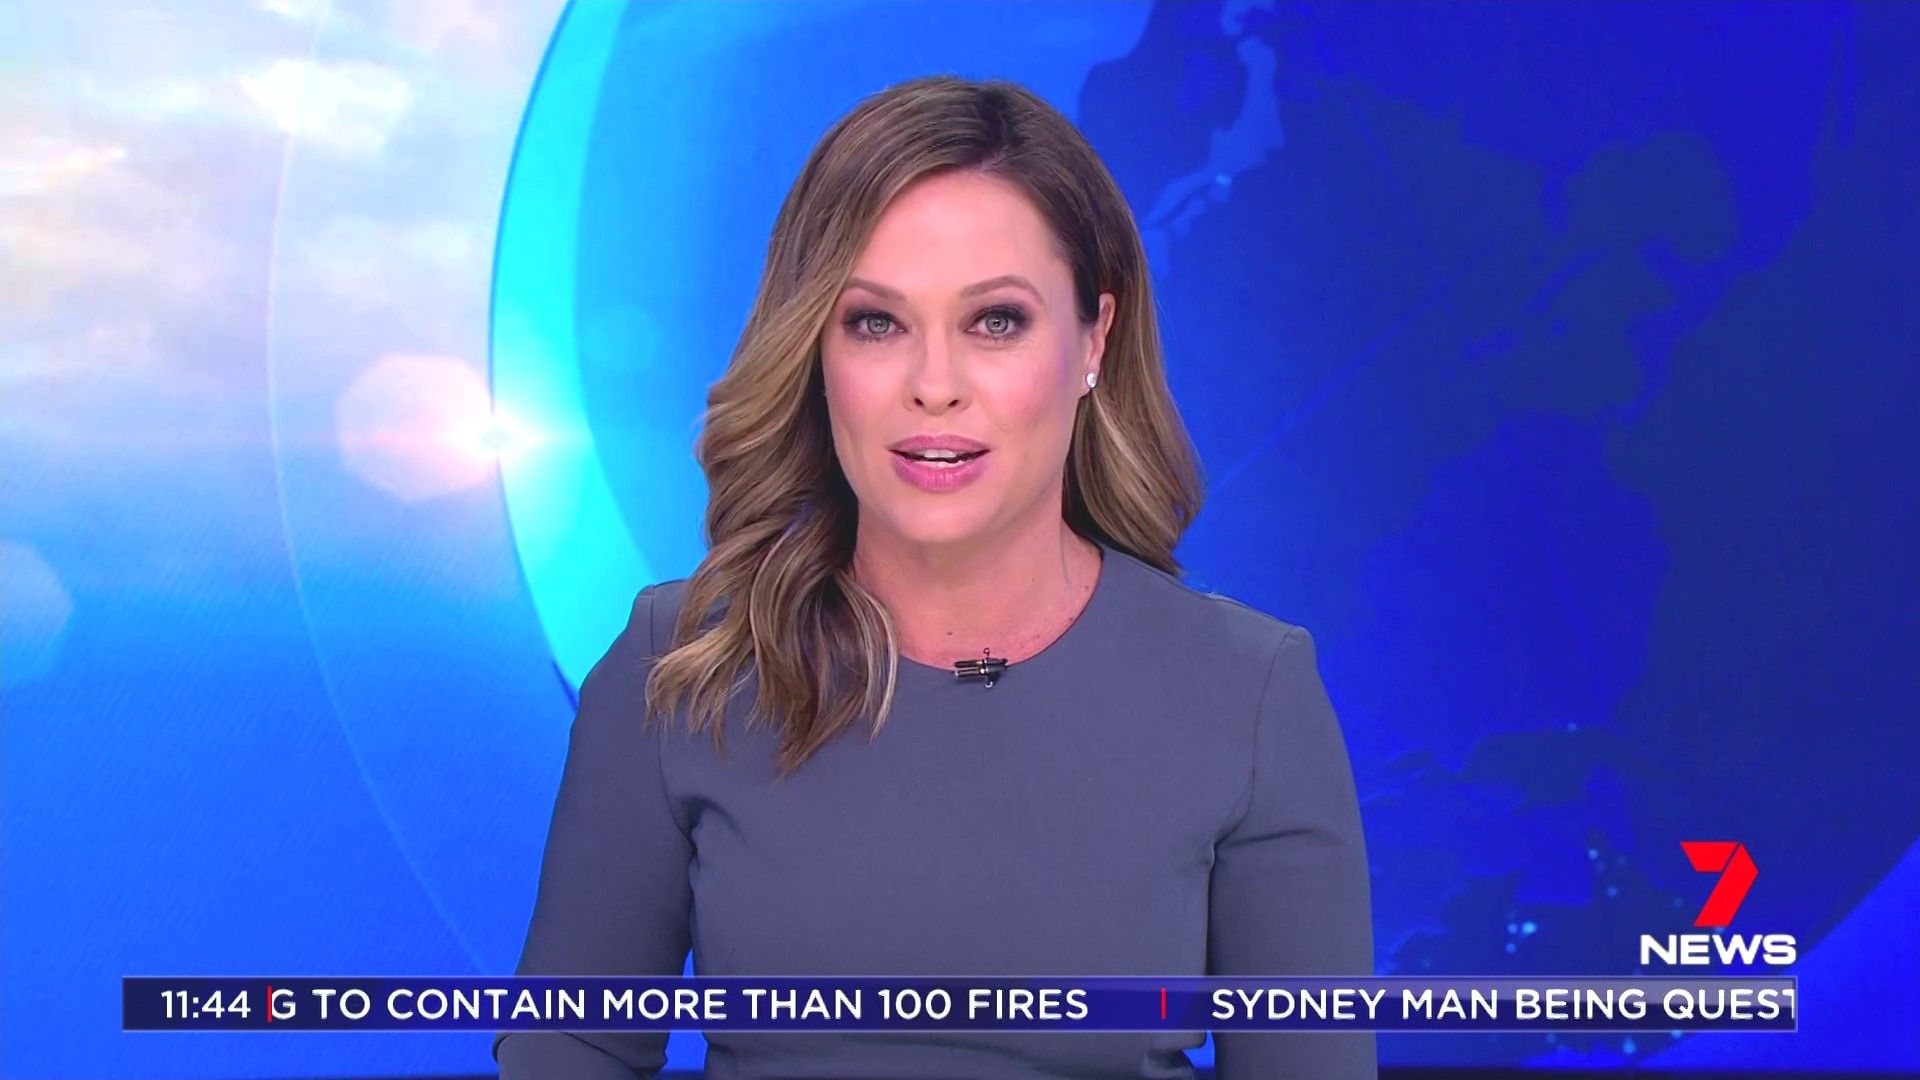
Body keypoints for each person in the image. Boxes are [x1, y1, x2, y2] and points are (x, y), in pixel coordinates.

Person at [495, 73, 1374, 1079]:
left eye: (995, 321)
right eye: (877, 323)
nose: (935, 386)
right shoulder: (679, 665)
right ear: (814, 350)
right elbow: (572, 1046)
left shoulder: (1249, 693)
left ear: (1094, 339)